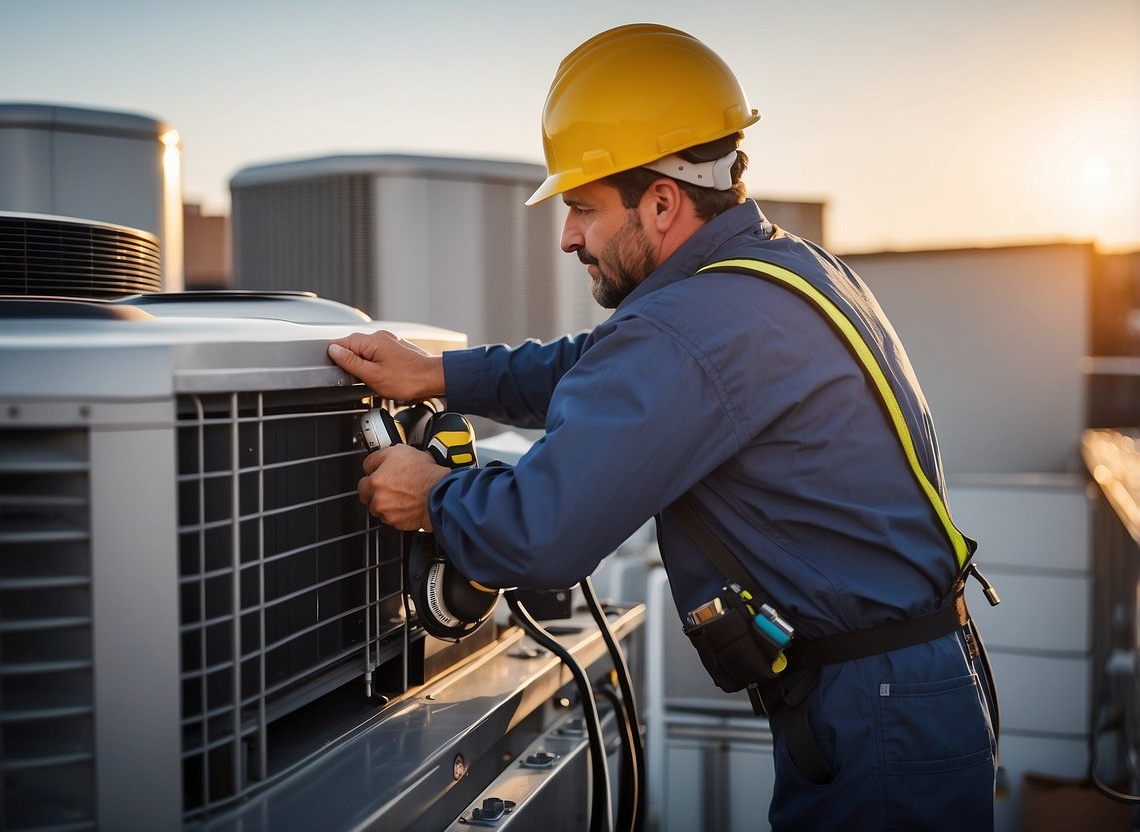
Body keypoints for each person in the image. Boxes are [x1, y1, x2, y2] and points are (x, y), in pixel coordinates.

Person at [328, 23, 998, 832]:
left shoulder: (695, 323)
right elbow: (611, 365)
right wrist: (440, 373)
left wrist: (433, 495)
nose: (568, 235)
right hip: (910, 689)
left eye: (580, 208)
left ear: (662, 200)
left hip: (875, 714)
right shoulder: (779, 270)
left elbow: (541, 534)